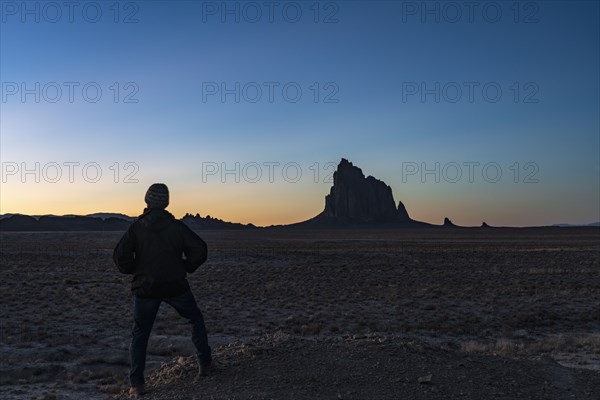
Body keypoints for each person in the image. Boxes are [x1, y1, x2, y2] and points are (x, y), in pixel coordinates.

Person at [113, 183, 211, 397]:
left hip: (146, 288)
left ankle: (137, 385)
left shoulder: (137, 227)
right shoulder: (176, 226)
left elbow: (120, 255)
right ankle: (205, 365)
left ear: (147, 201)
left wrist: (134, 270)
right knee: (195, 319)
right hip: (175, 285)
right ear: (166, 203)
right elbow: (200, 249)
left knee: (140, 334)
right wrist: (186, 266)